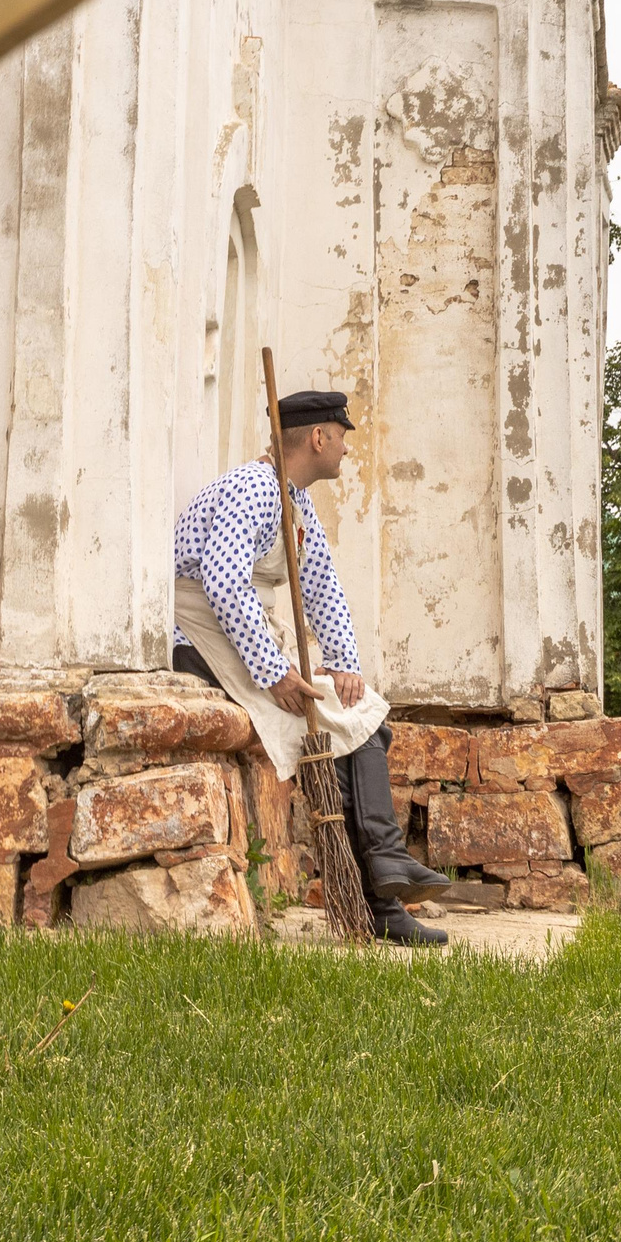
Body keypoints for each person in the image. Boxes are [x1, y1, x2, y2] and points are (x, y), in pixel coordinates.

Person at [171, 389, 452, 946]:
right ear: (318, 437)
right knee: (334, 721)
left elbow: (322, 588)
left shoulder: (294, 500)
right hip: (197, 637)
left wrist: (345, 664)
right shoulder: (253, 488)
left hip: (239, 634)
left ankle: (383, 880)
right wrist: (274, 670)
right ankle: (384, 884)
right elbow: (223, 582)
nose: (348, 449)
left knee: (357, 710)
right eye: (343, 435)